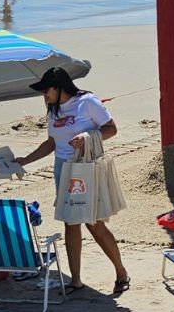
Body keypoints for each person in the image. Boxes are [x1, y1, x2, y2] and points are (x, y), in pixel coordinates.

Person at [14, 67, 130, 294]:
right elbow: (51, 143)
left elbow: (111, 129)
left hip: (85, 168)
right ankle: (75, 279)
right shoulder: (53, 110)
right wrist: (25, 160)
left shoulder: (87, 102)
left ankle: (121, 272)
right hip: (63, 170)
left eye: (46, 90)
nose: (44, 95)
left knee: (94, 223)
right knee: (70, 223)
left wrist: (88, 136)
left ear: (59, 88)